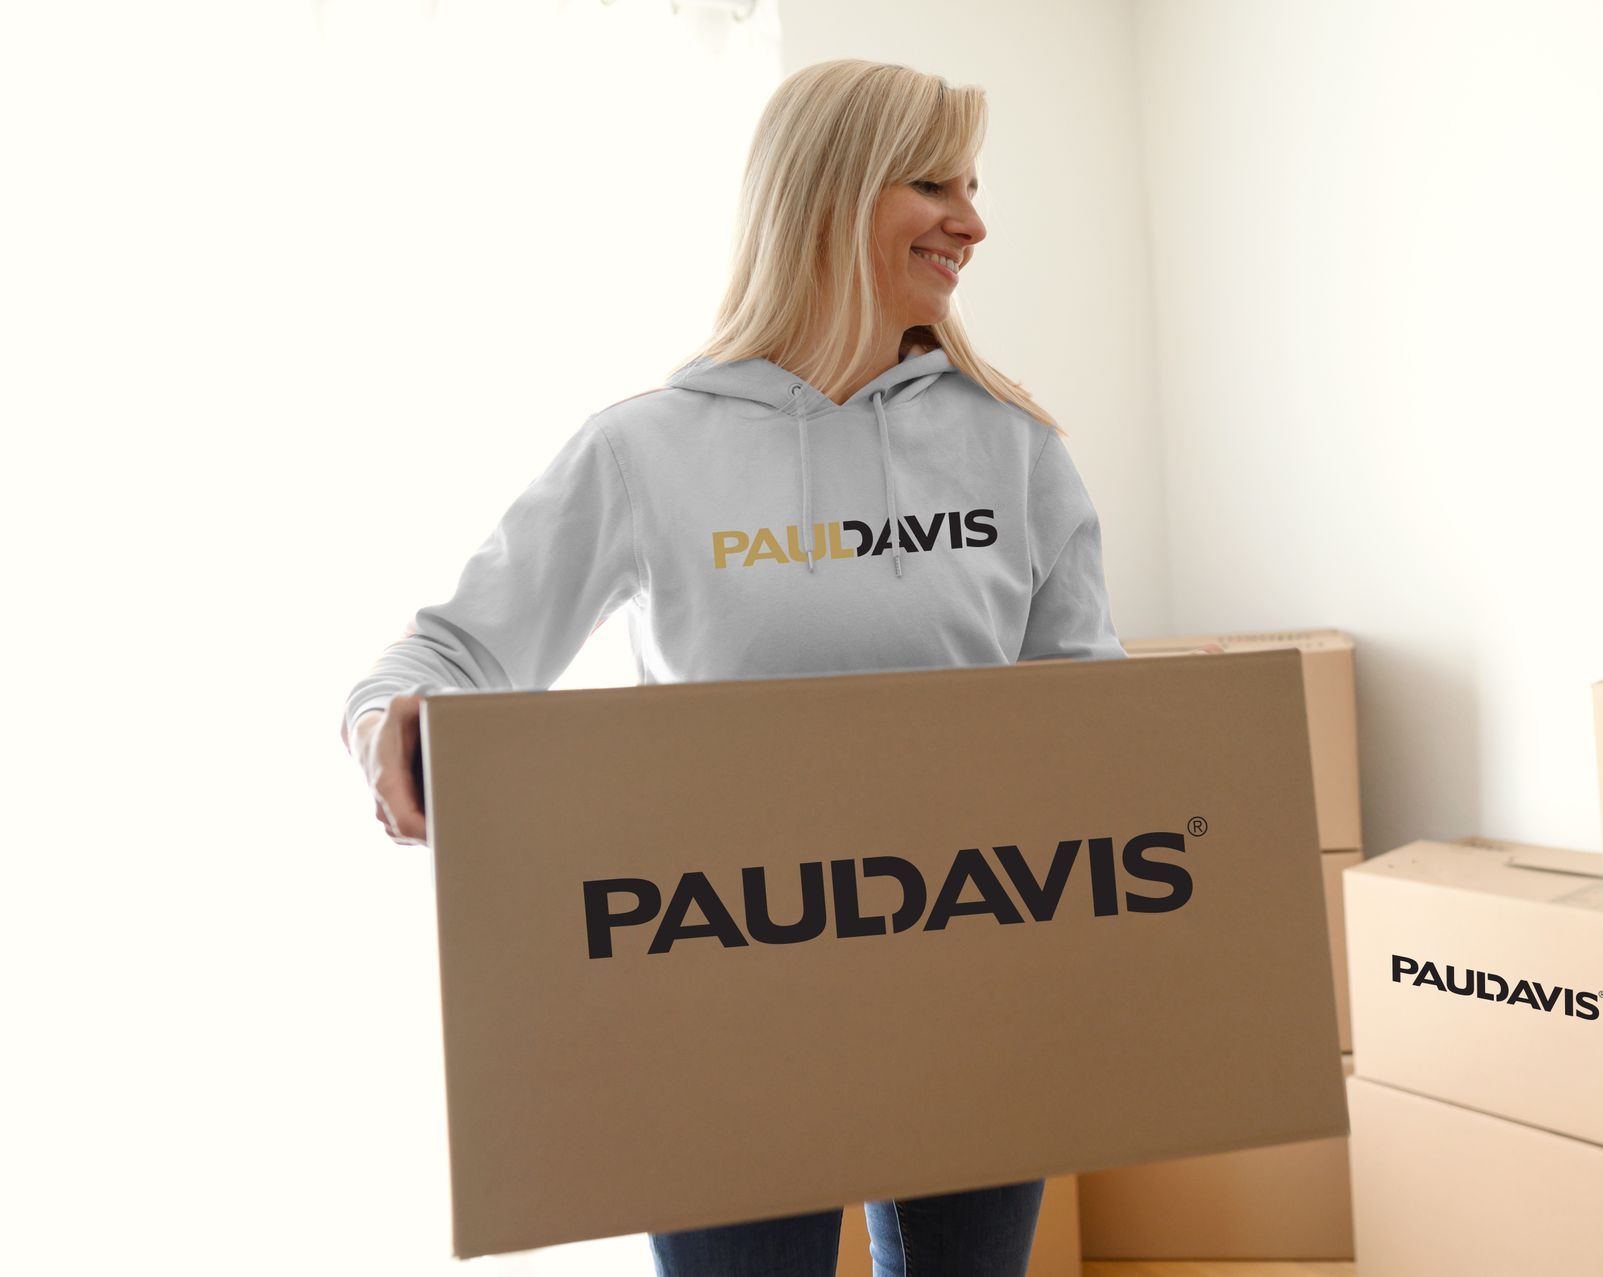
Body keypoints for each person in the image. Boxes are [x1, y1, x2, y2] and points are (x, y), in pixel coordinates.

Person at [341, 58, 1126, 1277]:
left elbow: (1094, 713)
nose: (972, 223)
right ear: (827, 192)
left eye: (974, 188)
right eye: (934, 184)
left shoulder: (1015, 447)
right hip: (720, 1009)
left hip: (971, 990)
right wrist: (387, 724)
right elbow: (446, 648)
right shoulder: (647, 449)